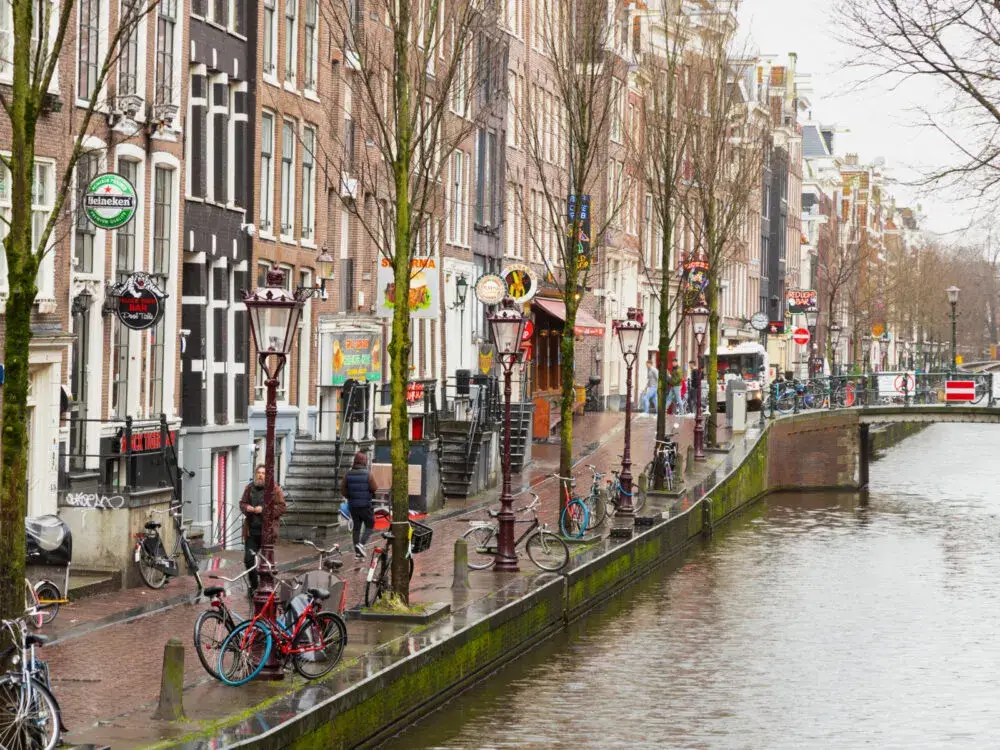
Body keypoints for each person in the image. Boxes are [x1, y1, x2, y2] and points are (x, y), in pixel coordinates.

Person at [240, 463, 287, 596]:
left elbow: (282, 508)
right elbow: (242, 503)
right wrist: (247, 508)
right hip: (252, 530)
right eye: (258, 473)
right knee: (249, 559)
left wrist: (264, 510)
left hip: (267, 532)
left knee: (266, 563)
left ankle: (267, 586)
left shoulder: (275, 490)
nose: (260, 475)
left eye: (263, 473)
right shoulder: (249, 488)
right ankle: (254, 586)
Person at [342, 451, 379, 559]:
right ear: (364, 462)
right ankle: (361, 544)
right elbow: (374, 488)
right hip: (365, 505)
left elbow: (343, 490)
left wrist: (350, 497)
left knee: (356, 528)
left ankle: (358, 553)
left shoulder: (348, 474)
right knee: (370, 524)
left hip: (353, 506)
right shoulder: (368, 474)